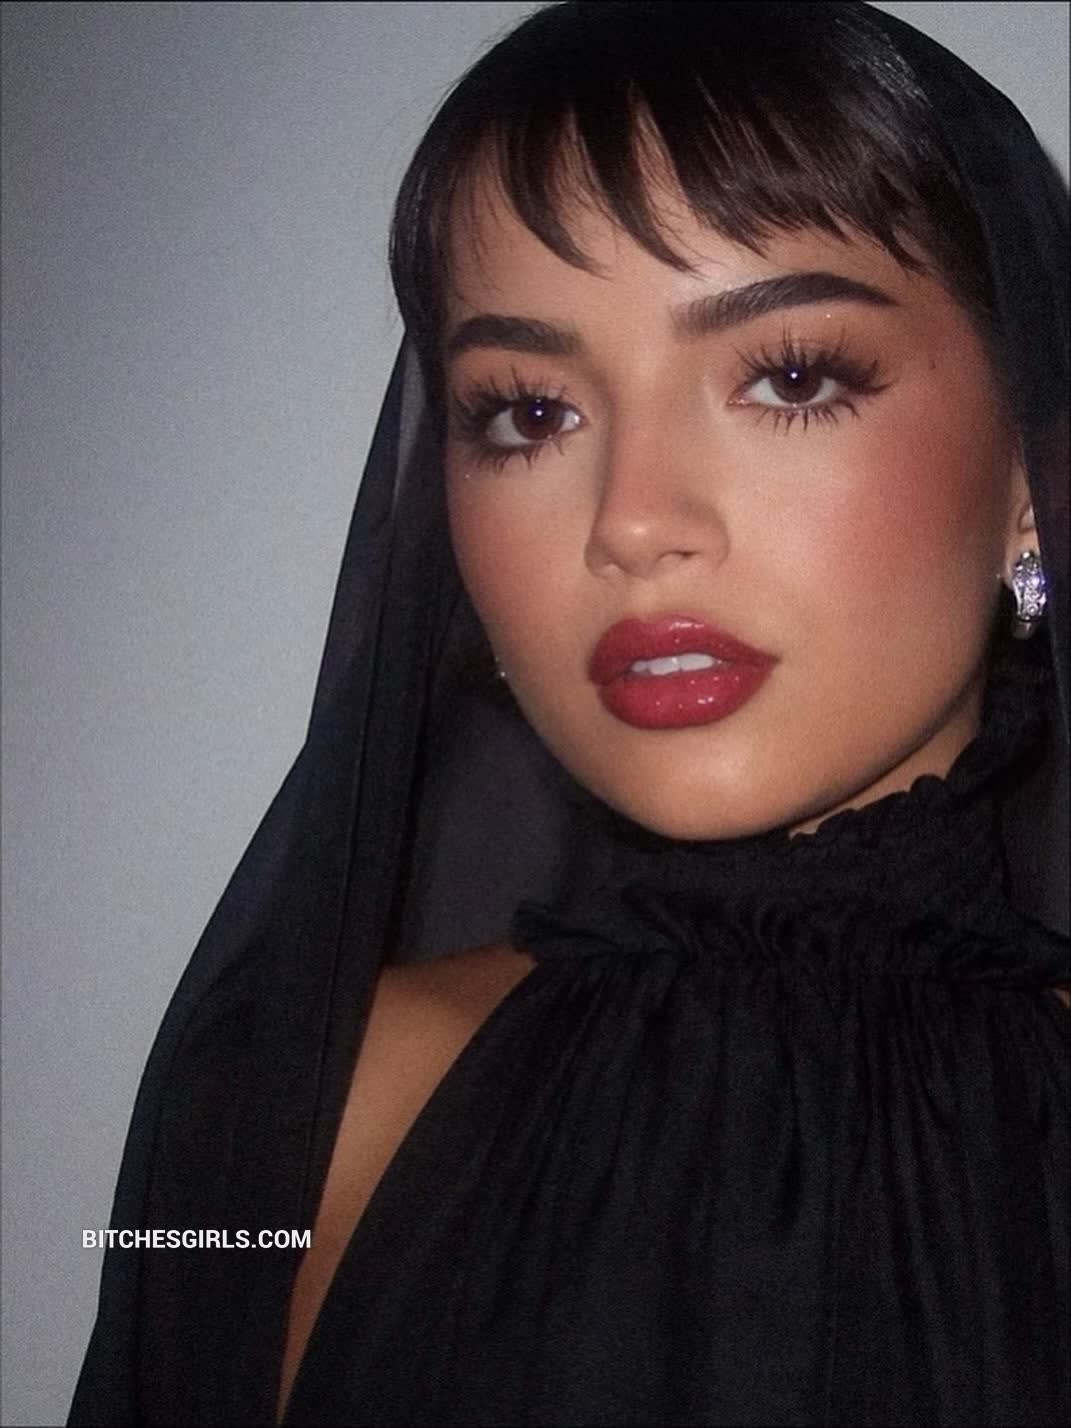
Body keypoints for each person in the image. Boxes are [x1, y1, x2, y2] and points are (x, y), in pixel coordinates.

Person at [70, 3, 1068, 1425]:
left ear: (1032, 468)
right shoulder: (283, 1124)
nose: (632, 522)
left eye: (789, 376)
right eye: (531, 414)